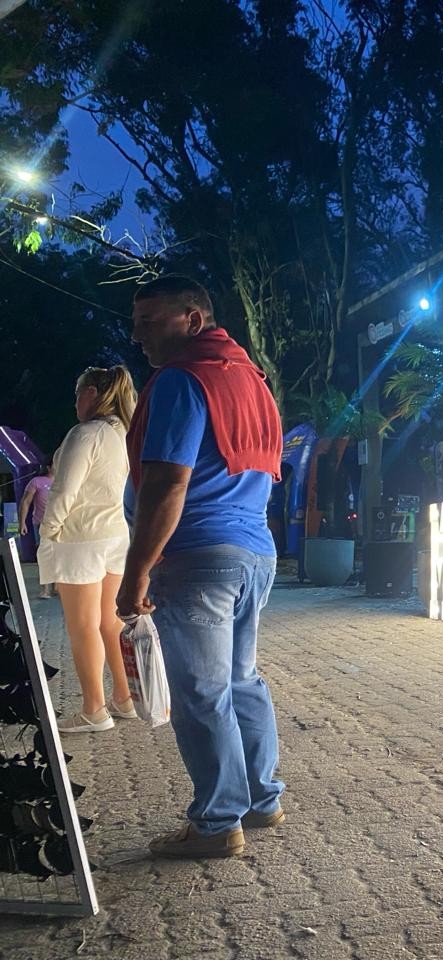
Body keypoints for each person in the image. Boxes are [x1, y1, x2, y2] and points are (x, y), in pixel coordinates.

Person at [118, 275, 284, 860]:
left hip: (197, 559)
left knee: (202, 693)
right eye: (135, 322)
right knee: (241, 680)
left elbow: (167, 481)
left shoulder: (181, 380)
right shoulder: (250, 379)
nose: (137, 336)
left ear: (192, 318)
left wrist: (137, 571)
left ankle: (217, 823)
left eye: (150, 321)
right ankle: (262, 799)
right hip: (254, 552)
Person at [37, 368, 137, 732]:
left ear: (92, 393)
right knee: (110, 623)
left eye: (78, 394)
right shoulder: (123, 433)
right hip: (116, 536)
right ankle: (125, 699)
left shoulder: (85, 433)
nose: (75, 402)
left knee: (83, 627)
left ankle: (94, 709)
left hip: (80, 539)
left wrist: (48, 532)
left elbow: (65, 490)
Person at [18, 464, 56, 598]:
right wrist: (22, 522)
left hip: (62, 523)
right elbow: (26, 501)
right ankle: (45, 589)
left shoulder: (64, 479)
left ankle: (57, 587)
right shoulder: (37, 481)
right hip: (42, 523)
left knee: (60, 555)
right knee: (44, 555)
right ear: (48, 467)